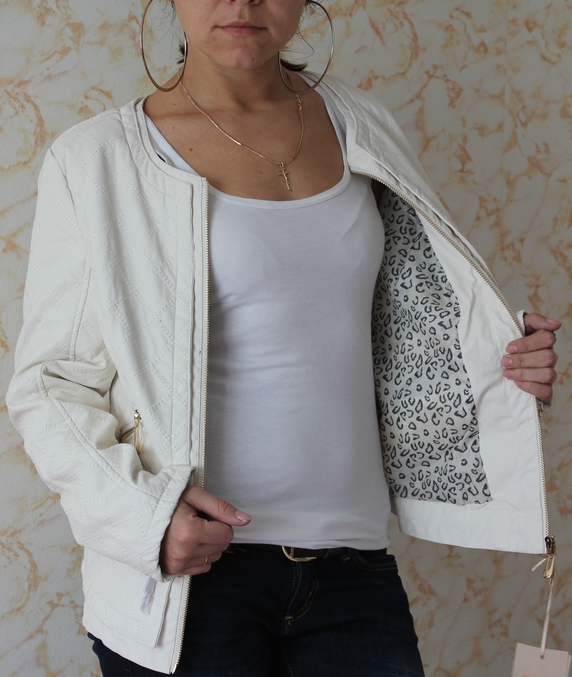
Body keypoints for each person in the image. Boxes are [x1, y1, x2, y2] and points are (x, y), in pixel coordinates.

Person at [7, 1, 561, 675]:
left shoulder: (364, 127)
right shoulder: (98, 159)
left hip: (353, 569)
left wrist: (499, 358)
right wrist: (143, 517)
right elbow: (51, 383)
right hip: (194, 579)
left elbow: (398, 325)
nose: (242, 2)